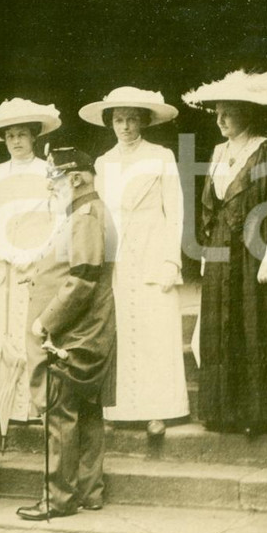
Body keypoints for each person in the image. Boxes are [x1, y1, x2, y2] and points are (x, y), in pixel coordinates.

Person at [182, 58, 267, 436]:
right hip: (222, 252)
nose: (221, 120)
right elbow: (210, 205)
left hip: (254, 251)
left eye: (229, 113)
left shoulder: (266, 149)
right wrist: (207, 251)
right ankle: (225, 412)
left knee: (255, 326)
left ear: (247, 113)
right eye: (218, 113)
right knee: (222, 325)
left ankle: (261, 414)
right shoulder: (219, 152)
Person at [78, 87, 189, 437]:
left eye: (131, 119)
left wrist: (172, 259)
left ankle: (159, 410)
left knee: (156, 329)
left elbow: (175, 212)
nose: (125, 126)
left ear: (143, 121)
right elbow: (98, 215)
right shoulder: (103, 163)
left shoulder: (161, 156)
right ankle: (119, 408)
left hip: (153, 250)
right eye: (118, 119)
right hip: (119, 259)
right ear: (110, 123)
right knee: (121, 330)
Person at [16, 147, 117, 521]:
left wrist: (46, 321)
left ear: (75, 178)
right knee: (86, 412)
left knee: (59, 413)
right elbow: (73, 267)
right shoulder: (84, 212)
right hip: (89, 330)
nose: (50, 187)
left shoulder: (86, 216)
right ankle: (89, 491)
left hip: (72, 334)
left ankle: (57, 498)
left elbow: (83, 279)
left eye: (54, 180)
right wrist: (41, 273)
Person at [0, 98, 61, 431]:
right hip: (2, 263)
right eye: (10, 135)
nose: (16, 141)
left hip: (37, 264)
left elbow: (59, 216)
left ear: (34, 136)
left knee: (33, 332)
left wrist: (38, 254)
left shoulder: (48, 172)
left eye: (22, 134)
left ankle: (35, 405)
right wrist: (0, 249)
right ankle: (2, 406)